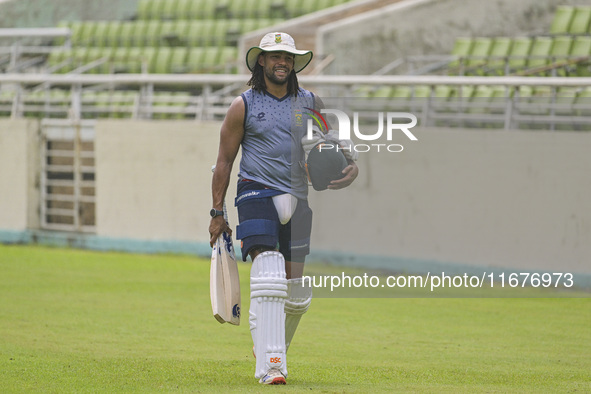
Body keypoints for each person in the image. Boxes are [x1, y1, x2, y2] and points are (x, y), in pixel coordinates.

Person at [209, 32, 358, 385]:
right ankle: (272, 365)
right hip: (254, 191)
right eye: (275, 56)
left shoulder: (310, 102)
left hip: (298, 197)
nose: (282, 62)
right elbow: (224, 162)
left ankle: (267, 348)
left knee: (295, 294)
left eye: (288, 58)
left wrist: (350, 166)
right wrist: (217, 213)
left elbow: (331, 145)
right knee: (270, 273)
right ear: (261, 60)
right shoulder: (241, 105)